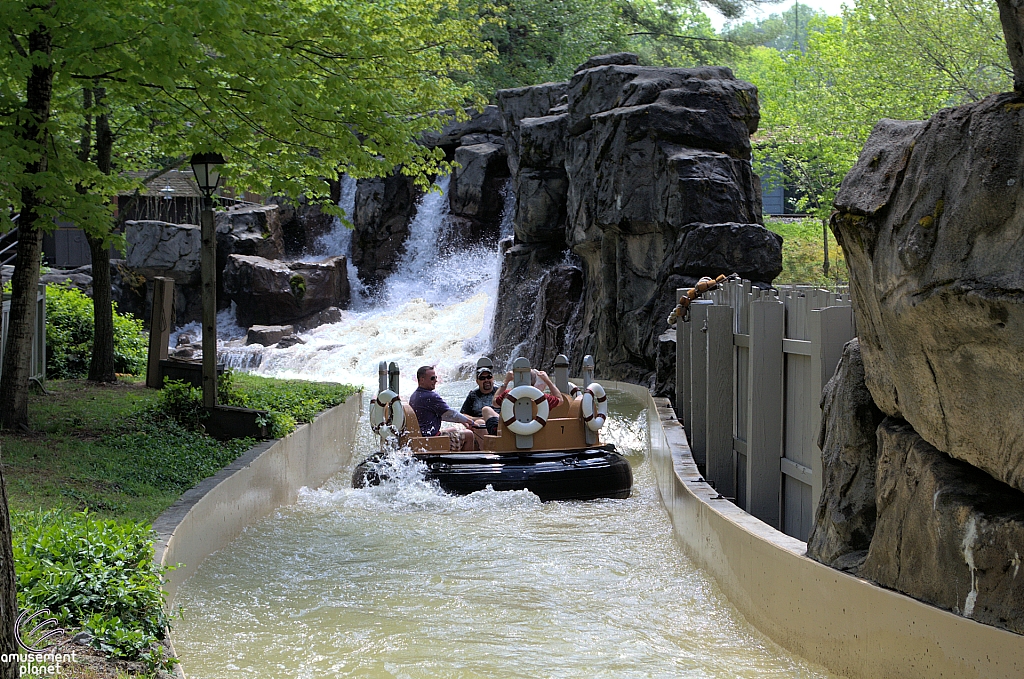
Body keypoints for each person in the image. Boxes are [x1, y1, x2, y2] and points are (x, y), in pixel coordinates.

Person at [409, 365, 479, 450]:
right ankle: (465, 462)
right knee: (469, 434)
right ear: (422, 380)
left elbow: (444, 415)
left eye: (436, 377)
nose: (436, 380)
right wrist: (471, 422)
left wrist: (464, 422)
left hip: (422, 438)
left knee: (455, 429)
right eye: (432, 378)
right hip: (432, 440)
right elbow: (451, 414)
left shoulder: (414, 396)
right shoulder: (431, 396)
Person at [479, 369, 563, 436]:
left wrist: (506, 381)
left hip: (508, 435)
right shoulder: (542, 398)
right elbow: (560, 400)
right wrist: (548, 381)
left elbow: (494, 402)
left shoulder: (508, 394)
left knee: (486, 410)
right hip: (536, 434)